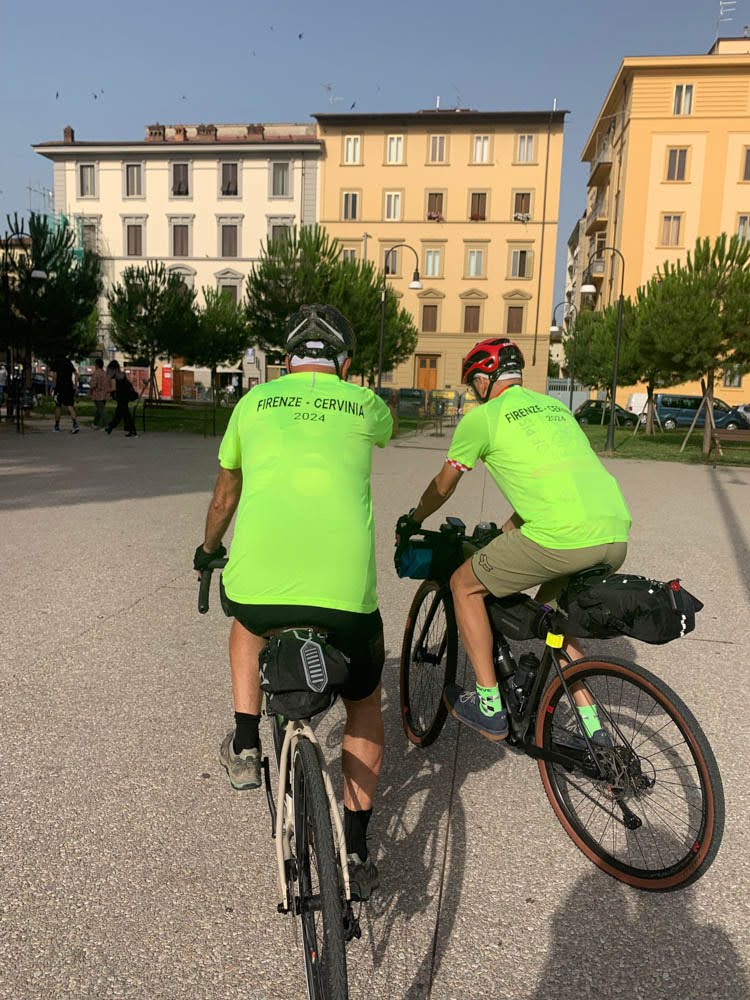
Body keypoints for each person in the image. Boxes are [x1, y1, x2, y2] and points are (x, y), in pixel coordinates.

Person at [194, 304, 393, 901]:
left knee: (245, 621)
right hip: (346, 601)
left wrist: (208, 549)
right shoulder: (368, 405)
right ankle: (355, 847)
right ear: (346, 363)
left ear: (284, 361)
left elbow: (227, 493)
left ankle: (247, 743)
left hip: (262, 589)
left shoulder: (252, 404)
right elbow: (383, 434)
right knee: (364, 706)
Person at [399, 338, 631, 742]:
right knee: (553, 619)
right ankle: (595, 730)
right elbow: (553, 485)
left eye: (474, 383)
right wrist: (505, 533)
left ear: (487, 379)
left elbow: (443, 486)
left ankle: (489, 705)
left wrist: (414, 517)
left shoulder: (485, 418)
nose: (474, 392)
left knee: (463, 585)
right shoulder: (557, 409)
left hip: (560, 538)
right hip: (614, 533)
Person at [105, 360, 138, 437]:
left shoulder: (114, 377)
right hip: (126, 397)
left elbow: (113, 388)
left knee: (125, 414)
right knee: (120, 413)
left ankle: (132, 431)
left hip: (120, 397)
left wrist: (106, 390)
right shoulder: (123, 374)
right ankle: (111, 426)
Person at [50, 355, 80, 434]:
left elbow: (54, 375)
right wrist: (75, 385)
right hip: (69, 387)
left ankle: (56, 426)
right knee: (70, 406)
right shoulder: (68, 362)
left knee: (58, 406)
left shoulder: (56, 362)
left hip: (59, 387)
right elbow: (76, 375)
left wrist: (53, 386)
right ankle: (75, 424)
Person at [89, 358, 110, 429]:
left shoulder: (96, 373)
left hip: (97, 394)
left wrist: (90, 392)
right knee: (99, 409)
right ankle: (95, 423)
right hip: (105, 394)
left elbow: (93, 384)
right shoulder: (104, 373)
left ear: (96, 365)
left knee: (101, 410)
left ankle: (107, 425)